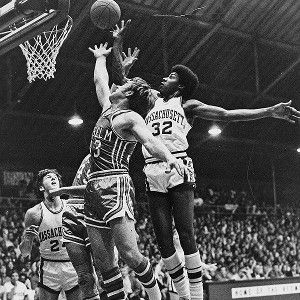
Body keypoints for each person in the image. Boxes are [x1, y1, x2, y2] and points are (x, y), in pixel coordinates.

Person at [112, 20, 300, 300]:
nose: (165, 77)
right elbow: (123, 82)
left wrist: (269, 111)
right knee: (163, 240)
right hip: (151, 170)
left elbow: (226, 114)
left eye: (172, 76)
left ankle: (196, 296)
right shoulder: (151, 100)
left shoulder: (188, 106)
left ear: (181, 85)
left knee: (185, 234)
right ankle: (183, 294)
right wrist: (117, 45)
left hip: (178, 165)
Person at [86, 41, 184, 300]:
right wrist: (100, 58)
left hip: (114, 185)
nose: (119, 84)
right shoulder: (108, 108)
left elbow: (150, 141)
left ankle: (154, 295)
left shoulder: (131, 118)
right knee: (104, 264)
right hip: (92, 187)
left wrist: (169, 157)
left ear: (129, 96)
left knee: (129, 254)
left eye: (125, 86)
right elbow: (100, 83)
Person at [19, 169, 81, 300]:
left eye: (56, 177)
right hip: (49, 266)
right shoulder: (33, 213)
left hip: (72, 264)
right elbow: (24, 252)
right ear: (41, 187)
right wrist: (28, 239)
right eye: (48, 177)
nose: (53, 178)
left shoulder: (71, 207)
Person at [48, 154, 102, 300]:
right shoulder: (91, 154)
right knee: (84, 278)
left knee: (104, 273)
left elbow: (96, 188)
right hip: (72, 211)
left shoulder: (111, 154)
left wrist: (62, 191)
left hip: (93, 209)